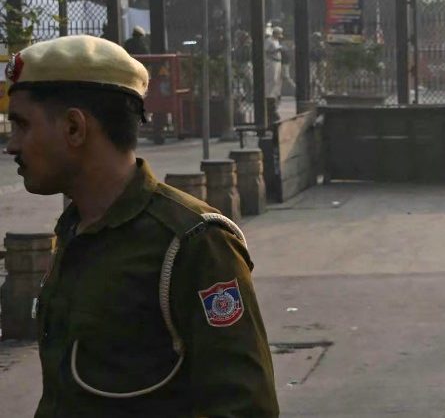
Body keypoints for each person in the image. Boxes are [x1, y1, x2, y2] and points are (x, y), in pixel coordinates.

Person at [4, 35, 278, 416]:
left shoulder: (192, 242)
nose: (11, 145)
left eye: (21, 125)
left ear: (73, 128)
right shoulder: (74, 231)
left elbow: (245, 407)